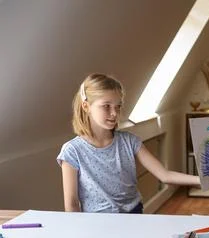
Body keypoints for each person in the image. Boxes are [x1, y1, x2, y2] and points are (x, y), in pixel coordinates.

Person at [57, 73, 200, 213]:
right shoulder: (72, 151)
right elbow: (72, 204)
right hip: (97, 223)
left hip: (134, 214)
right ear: (86, 106)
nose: (114, 113)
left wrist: (203, 180)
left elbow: (165, 175)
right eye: (106, 106)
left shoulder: (129, 141)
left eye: (118, 106)